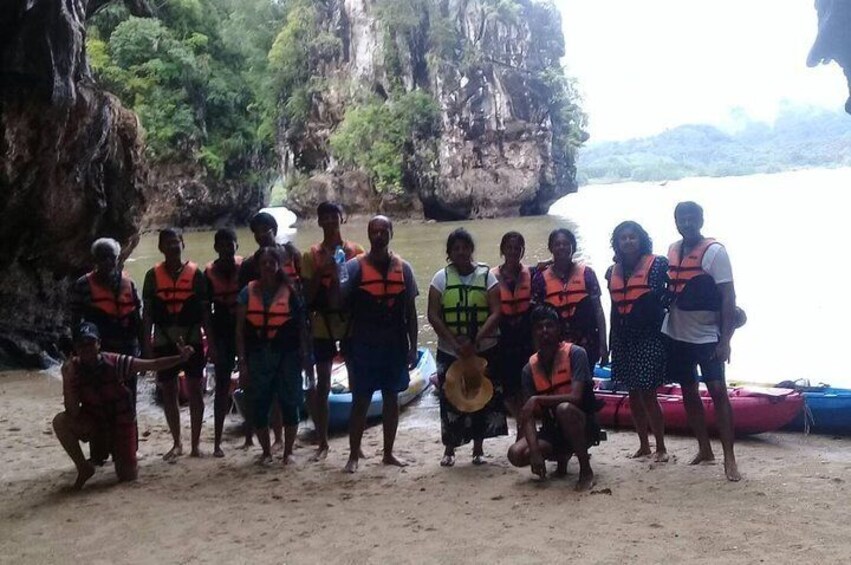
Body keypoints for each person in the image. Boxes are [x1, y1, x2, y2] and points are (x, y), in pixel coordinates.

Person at [53, 322, 194, 490]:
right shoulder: (73, 370)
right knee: (60, 421)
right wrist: (67, 382)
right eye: (81, 345)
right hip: (96, 424)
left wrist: (180, 359)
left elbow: (152, 365)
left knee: (127, 477)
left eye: (90, 343)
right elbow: (73, 411)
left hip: (120, 423)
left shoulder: (115, 362)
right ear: (75, 347)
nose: (86, 349)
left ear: (98, 344)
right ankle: (84, 467)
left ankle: (119, 454)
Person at [663, 201, 740, 481]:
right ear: (676, 221)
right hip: (677, 334)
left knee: (718, 392)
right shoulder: (672, 250)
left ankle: (729, 459)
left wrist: (726, 339)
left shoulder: (715, 252)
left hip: (707, 335)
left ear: (701, 219)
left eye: (691, 217)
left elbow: (728, 297)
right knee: (688, 390)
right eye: (681, 218)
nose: (687, 222)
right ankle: (704, 449)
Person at [340, 216, 418, 473]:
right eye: (374, 231)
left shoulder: (404, 268)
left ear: (391, 234)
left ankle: (388, 453)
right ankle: (353, 455)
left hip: (393, 343)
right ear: (369, 234)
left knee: (391, 398)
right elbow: (339, 303)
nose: (379, 235)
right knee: (360, 400)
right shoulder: (354, 267)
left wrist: (412, 346)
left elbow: (410, 312)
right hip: (364, 343)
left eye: (384, 231)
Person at [427, 228, 507, 466]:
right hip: (451, 350)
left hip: (483, 348)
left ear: (471, 250)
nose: (461, 252)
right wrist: (455, 343)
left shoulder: (486, 276)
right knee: (451, 399)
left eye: (465, 247)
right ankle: (449, 449)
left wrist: (476, 340)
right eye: (456, 249)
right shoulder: (440, 278)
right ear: (449, 253)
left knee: (481, 398)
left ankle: (478, 449)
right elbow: (433, 315)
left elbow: (496, 311)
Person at [507, 305, 598, 491]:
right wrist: (534, 452)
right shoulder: (528, 369)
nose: (545, 331)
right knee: (516, 454)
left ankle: (585, 469)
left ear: (559, 329)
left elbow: (576, 397)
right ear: (533, 333)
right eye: (539, 327)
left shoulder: (576, 354)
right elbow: (528, 415)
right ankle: (560, 456)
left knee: (564, 409)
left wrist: (538, 399)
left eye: (550, 326)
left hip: (583, 423)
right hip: (552, 430)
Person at [236, 247, 312, 465]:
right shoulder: (247, 293)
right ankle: (266, 452)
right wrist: (242, 362)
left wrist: (305, 357)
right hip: (258, 356)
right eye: (264, 263)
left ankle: (288, 452)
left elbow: (301, 328)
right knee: (259, 405)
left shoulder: (290, 291)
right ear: (258, 267)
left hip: (287, 355)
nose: (268, 267)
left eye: (272, 263)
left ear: (279, 265)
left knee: (290, 403)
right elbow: (239, 331)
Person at [69, 237, 143, 462]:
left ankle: (130, 448)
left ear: (117, 258)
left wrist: (145, 352)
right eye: (102, 257)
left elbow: (138, 318)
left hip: (126, 349)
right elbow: (75, 321)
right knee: (96, 401)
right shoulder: (83, 285)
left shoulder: (129, 284)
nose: (108, 261)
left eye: (111, 256)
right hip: (98, 353)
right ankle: (99, 451)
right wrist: (78, 352)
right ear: (95, 260)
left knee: (128, 398)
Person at [301, 201, 365, 460]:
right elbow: (307, 295)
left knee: (355, 382)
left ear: (341, 218)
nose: (329, 221)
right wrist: (323, 269)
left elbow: (361, 291)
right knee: (323, 383)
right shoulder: (310, 256)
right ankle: (323, 442)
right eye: (324, 217)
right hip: (322, 324)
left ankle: (355, 444)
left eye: (333, 216)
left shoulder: (356, 251)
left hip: (349, 323)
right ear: (319, 221)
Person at [141, 228, 212, 461]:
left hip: (191, 338)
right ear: (161, 248)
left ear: (183, 244)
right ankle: (176, 443)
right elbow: (148, 314)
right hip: (163, 339)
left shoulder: (196, 275)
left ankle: (195, 445)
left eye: (176, 242)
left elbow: (204, 313)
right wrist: (146, 346)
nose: (173, 247)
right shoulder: (152, 276)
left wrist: (209, 342)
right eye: (168, 243)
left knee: (195, 392)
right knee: (169, 392)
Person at [605, 221, 669, 462]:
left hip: (648, 336)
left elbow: (668, 296)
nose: (628, 241)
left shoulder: (658, 264)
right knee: (632, 393)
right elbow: (613, 307)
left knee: (649, 394)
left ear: (641, 239)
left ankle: (661, 447)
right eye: (623, 238)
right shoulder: (612, 272)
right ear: (617, 243)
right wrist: (610, 342)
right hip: (623, 337)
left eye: (633, 237)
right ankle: (644, 444)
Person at [238, 211, 301, 449]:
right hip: (258, 341)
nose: (262, 234)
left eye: (267, 229)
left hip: (286, 338)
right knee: (263, 395)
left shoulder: (291, 254)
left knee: (285, 393)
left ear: (274, 229)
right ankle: (264, 439)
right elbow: (242, 313)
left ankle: (282, 442)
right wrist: (242, 357)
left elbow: (300, 292)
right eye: (257, 231)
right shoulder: (248, 267)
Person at [532, 228, 608, 374]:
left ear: (573, 247)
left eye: (566, 244)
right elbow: (536, 319)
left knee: (585, 385)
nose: (562, 247)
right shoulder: (540, 279)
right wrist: (537, 349)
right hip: (554, 344)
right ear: (551, 248)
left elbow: (598, 310)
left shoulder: (587, 274)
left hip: (586, 342)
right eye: (557, 244)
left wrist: (603, 345)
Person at [204, 228, 243, 458]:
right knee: (221, 387)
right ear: (216, 247)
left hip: (245, 330)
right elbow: (205, 312)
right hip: (221, 332)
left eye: (231, 244)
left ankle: (249, 435)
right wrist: (211, 344)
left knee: (250, 382)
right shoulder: (208, 273)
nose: (228, 248)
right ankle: (217, 442)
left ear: (237, 246)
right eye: (223, 245)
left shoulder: (245, 267)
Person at [490, 231, 535, 431]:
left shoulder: (531, 273)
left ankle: (523, 428)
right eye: (509, 247)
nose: (514, 251)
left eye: (518, 248)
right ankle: (520, 421)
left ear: (523, 250)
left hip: (525, 336)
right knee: (507, 390)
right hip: (503, 336)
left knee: (525, 385)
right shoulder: (491, 276)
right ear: (502, 250)